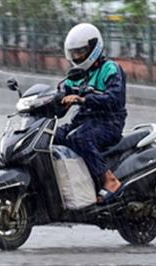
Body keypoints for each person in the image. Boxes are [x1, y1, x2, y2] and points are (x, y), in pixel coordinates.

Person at [53, 23, 127, 203]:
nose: (77, 56)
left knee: (79, 138)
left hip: (109, 123)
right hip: (83, 122)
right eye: (74, 53)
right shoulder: (76, 75)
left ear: (94, 48)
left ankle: (109, 180)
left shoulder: (110, 69)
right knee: (49, 136)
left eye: (81, 52)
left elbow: (114, 99)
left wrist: (83, 99)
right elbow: (62, 98)